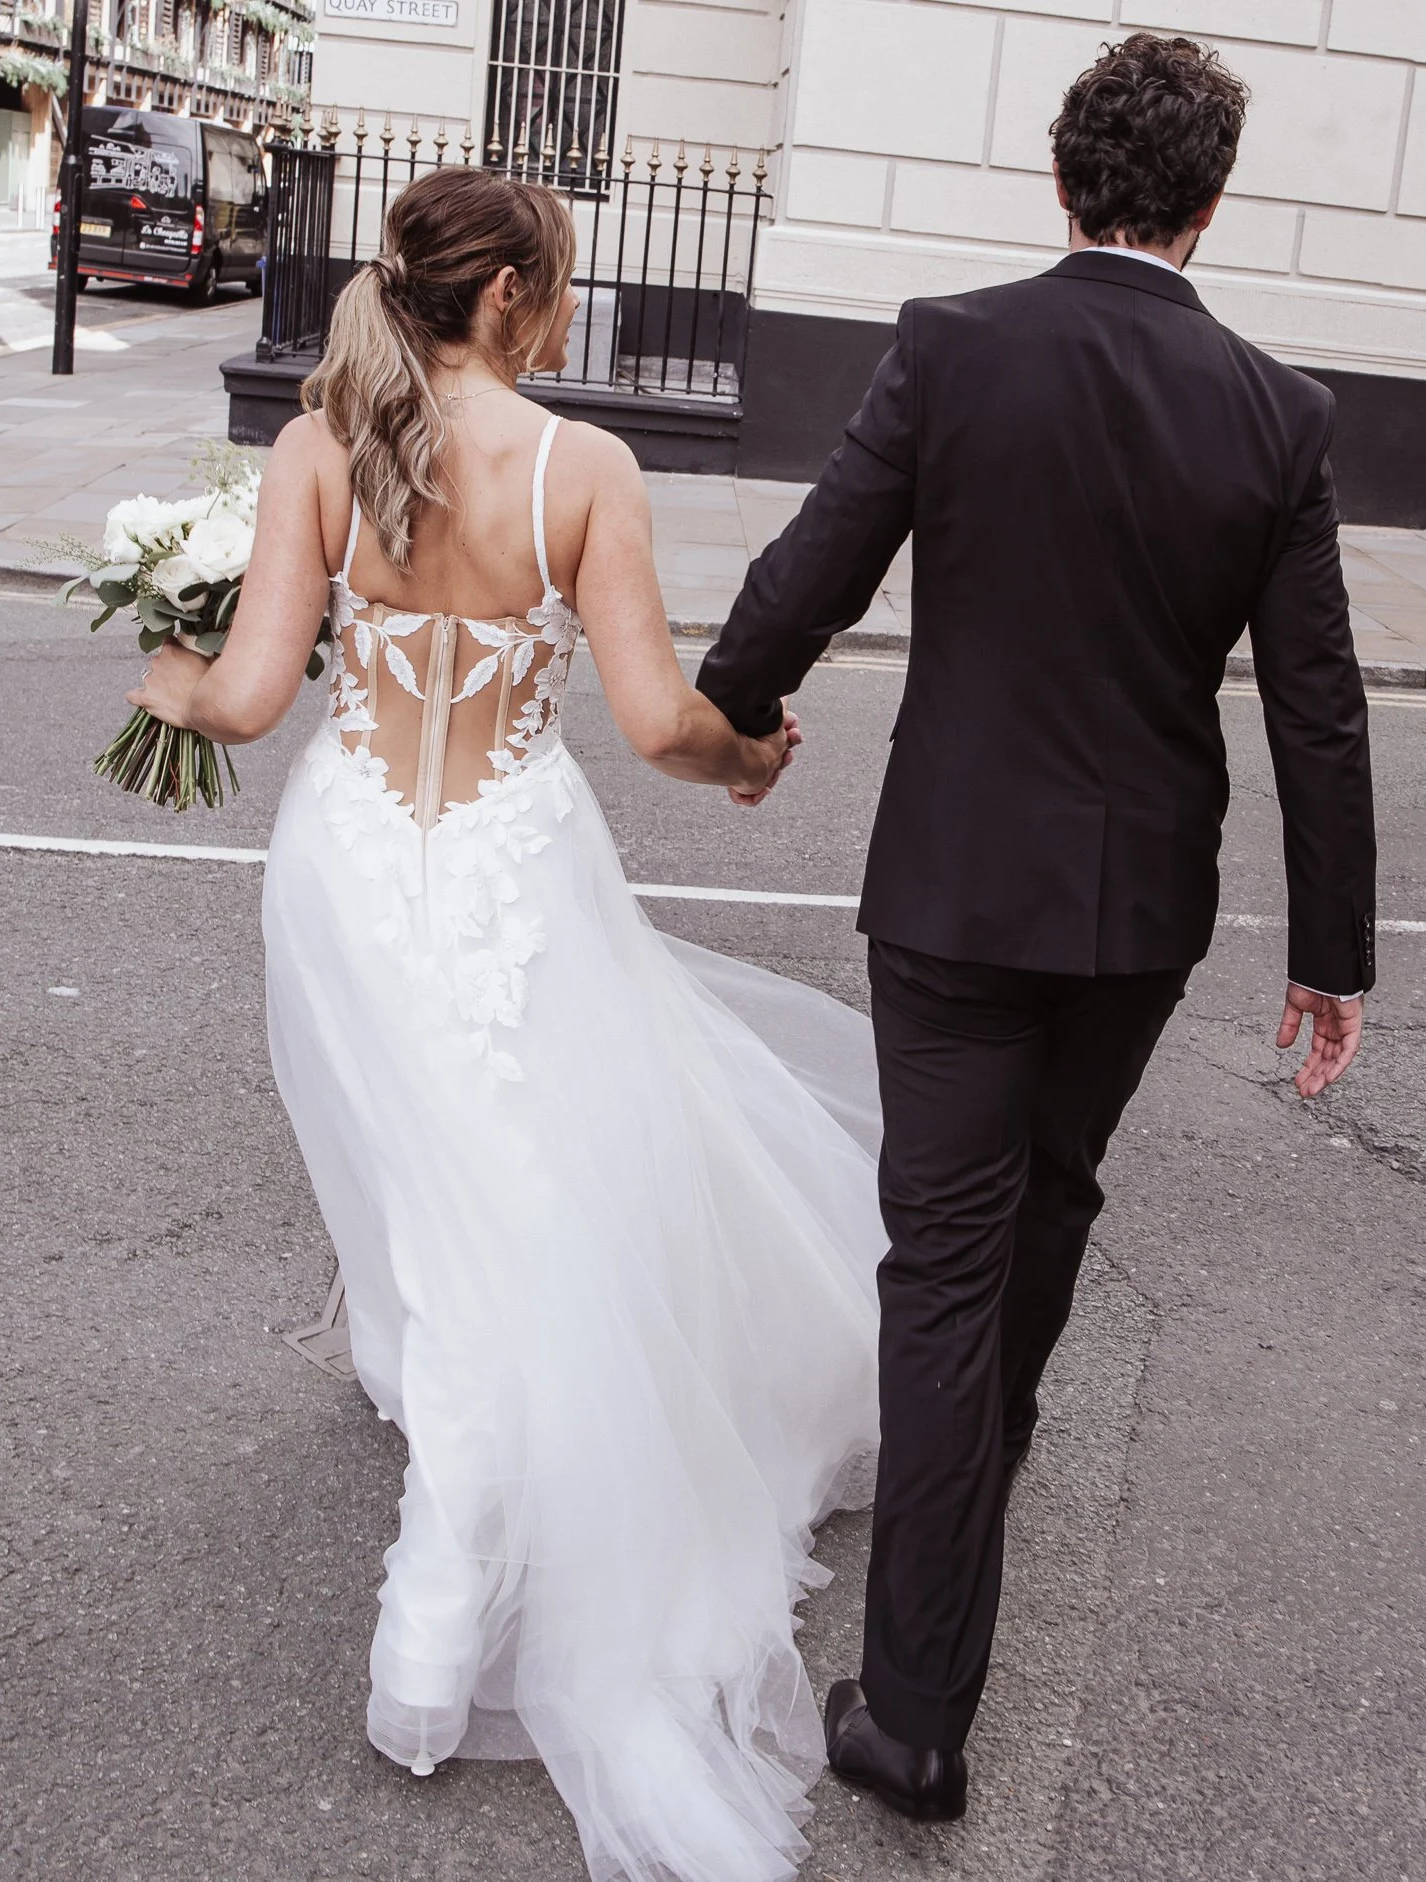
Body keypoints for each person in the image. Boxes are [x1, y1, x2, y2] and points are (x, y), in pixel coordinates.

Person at [130, 165, 889, 1882]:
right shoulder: (585, 468)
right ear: (504, 304)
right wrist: (752, 757)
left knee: (432, 1180)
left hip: (351, 866)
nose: (564, 313)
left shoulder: (320, 445)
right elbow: (655, 722)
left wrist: (160, 676)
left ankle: (438, 1572)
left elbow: (249, 698)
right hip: (510, 870)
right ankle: (440, 1594)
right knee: (517, 1185)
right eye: (555, 290)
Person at [697, 33, 1377, 1822]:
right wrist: (1332, 953)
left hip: (952, 884)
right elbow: (1319, 704)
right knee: (1049, 1198)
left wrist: (737, 712)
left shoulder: (952, 345)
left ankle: (916, 1707)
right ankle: (976, 1471)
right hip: (1140, 905)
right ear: (1210, 204)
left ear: (1062, 184)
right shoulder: (1278, 412)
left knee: (941, 1256)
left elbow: (816, 564)